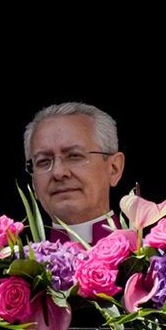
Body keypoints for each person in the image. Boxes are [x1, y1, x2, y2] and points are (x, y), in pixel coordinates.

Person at [22, 102, 126, 244]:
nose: (58, 173)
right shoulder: (2, 265)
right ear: (33, 182)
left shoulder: (158, 262)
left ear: (114, 168)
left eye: (74, 156)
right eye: (43, 161)